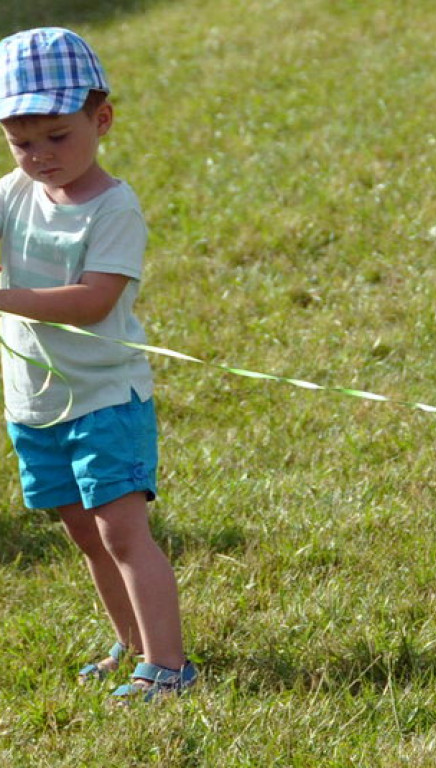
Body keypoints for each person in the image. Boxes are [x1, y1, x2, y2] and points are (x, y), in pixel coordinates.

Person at [0, 27, 195, 703]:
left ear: (101, 119)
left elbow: (94, 300)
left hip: (104, 400)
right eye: (22, 141)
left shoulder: (114, 207)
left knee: (121, 531)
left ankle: (168, 666)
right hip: (35, 403)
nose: (40, 156)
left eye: (57, 135)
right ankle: (134, 644)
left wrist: (4, 297)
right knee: (84, 533)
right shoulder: (12, 194)